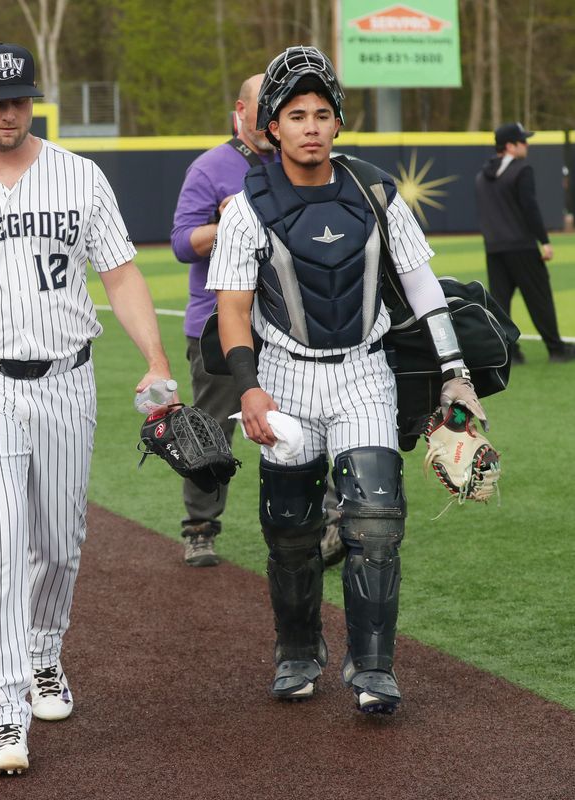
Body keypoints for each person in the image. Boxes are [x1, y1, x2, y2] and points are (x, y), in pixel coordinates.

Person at [0, 42, 174, 776]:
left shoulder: (80, 177)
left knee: (59, 539)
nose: (9, 111)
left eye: (19, 99)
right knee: (0, 541)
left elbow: (120, 274)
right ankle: (4, 712)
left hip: (66, 381)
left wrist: (155, 358)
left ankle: (44, 653)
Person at [208, 46, 487, 714]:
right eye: (296, 114)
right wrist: (248, 386)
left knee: (376, 520)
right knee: (291, 528)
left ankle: (373, 670)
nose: (310, 125)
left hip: (363, 372)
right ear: (271, 127)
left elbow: (423, 288)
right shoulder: (247, 206)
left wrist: (456, 375)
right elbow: (233, 310)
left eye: (322, 114)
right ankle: (298, 653)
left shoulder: (375, 191)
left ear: (338, 123)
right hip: (281, 378)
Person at [170, 73, 276, 566]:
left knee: (305, 424)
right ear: (240, 108)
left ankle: (317, 523)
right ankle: (200, 528)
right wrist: (229, 221)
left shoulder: (302, 161)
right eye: (266, 105)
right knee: (212, 431)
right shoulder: (211, 166)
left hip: (286, 325)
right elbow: (180, 243)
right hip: (216, 325)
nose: (275, 115)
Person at [475, 122, 575, 364]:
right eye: (522, 141)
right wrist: (544, 240)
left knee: (500, 303)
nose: (526, 145)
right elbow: (530, 207)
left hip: (494, 247)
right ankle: (556, 349)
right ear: (510, 146)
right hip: (521, 245)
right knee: (539, 298)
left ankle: (509, 353)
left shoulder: (481, 176)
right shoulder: (521, 170)